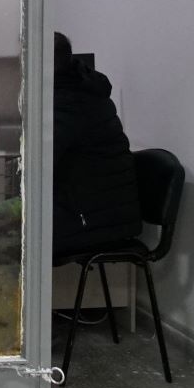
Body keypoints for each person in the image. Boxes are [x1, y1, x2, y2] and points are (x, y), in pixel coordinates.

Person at [49, 32, 142, 260]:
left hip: (95, 221)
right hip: (98, 211)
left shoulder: (69, 102)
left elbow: (39, 162)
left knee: (6, 236)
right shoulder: (79, 87)